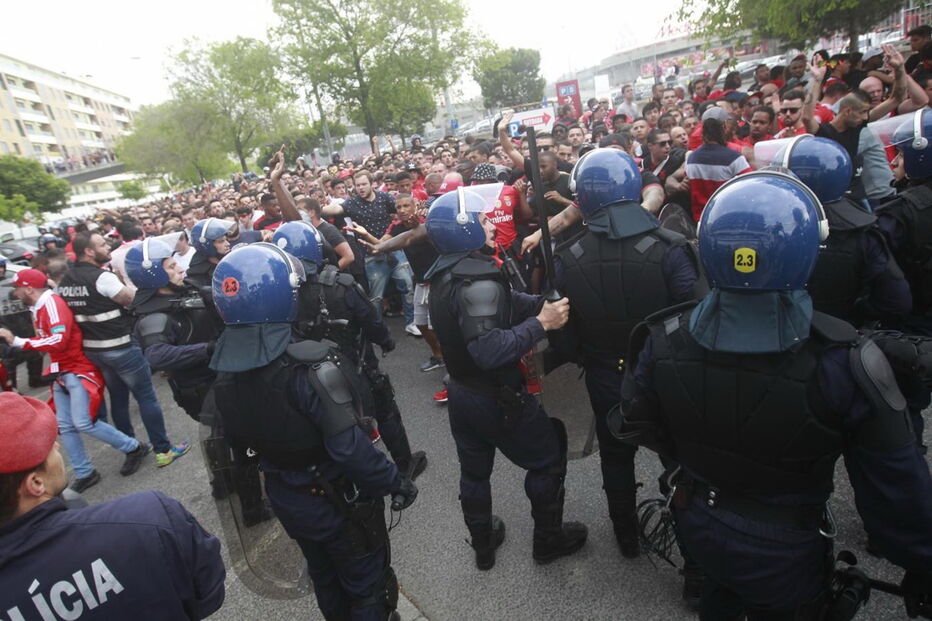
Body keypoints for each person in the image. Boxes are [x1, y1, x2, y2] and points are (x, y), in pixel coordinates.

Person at [614, 170, 932, 620]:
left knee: (717, 601)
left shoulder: (661, 337)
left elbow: (640, 420)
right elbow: (896, 491)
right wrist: (922, 561)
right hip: (786, 547)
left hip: (697, 518)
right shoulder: (846, 361)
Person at [208, 242, 417, 620]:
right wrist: (396, 482)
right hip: (338, 499)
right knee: (368, 587)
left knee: (325, 578)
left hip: (288, 496)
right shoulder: (309, 366)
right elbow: (350, 449)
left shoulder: (223, 372)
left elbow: (236, 446)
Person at [423, 188, 587, 570]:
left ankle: (483, 544)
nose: (491, 224)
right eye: (482, 220)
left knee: (474, 474)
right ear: (463, 230)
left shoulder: (447, 273)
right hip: (496, 398)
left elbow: (504, 303)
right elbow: (489, 349)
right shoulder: (475, 282)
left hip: (462, 394)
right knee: (547, 459)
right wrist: (541, 324)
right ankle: (548, 540)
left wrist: (539, 304)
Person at [555, 148, 702, 558]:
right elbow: (695, 318)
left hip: (605, 374)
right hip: (666, 375)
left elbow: (565, 332)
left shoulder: (568, 256)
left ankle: (627, 538)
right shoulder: (671, 247)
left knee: (615, 457)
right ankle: (693, 563)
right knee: (679, 461)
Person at [0, 392, 226, 619]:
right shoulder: (149, 519)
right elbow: (209, 591)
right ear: (35, 483)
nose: (57, 446)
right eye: (48, 446)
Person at [273, 221, 427, 481]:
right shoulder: (341, 285)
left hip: (309, 376)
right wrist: (386, 341)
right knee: (384, 410)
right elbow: (372, 321)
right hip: (357, 364)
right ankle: (404, 465)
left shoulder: (277, 293)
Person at [0, 268, 150, 492]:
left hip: (77, 369)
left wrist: (19, 342)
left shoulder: (51, 303)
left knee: (83, 422)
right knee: (65, 426)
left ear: (29, 288)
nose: (15, 293)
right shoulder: (39, 305)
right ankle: (85, 472)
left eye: (18, 288)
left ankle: (133, 447)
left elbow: (59, 340)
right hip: (63, 371)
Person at [57, 232, 190, 469]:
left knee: (118, 399)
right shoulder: (102, 278)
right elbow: (130, 299)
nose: (106, 247)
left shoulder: (66, 281)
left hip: (94, 351)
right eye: (101, 244)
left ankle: (132, 446)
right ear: (88, 251)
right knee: (146, 397)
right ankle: (163, 450)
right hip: (120, 347)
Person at [761, 135, 912, 325]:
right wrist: (855, 314)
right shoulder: (864, 233)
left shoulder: (767, 229)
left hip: (777, 333)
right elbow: (896, 300)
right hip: (841, 337)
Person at [185, 218, 236, 288]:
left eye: (226, 240)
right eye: (221, 241)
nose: (228, 244)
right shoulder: (197, 275)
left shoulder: (231, 260)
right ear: (207, 246)